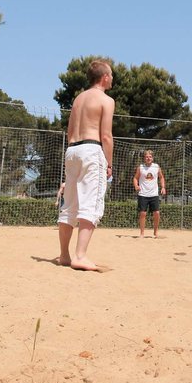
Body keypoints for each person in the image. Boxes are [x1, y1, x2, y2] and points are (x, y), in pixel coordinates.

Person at [58, 60, 115, 271]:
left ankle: (64, 255)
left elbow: (69, 131)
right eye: (111, 75)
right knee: (91, 203)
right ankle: (80, 256)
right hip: (92, 149)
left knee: (69, 204)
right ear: (105, 77)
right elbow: (106, 136)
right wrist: (109, 163)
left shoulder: (78, 99)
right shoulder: (105, 100)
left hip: (72, 149)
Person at [133, 150, 166, 237]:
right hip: (143, 194)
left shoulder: (156, 167)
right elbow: (135, 178)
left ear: (152, 158)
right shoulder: (140, 167)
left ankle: (155, 232)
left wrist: (163, 187)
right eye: (147, 157)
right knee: (143, 213)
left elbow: (161, 177)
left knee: (157, 213)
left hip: (154, 194)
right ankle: (142, 233)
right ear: (144, 158)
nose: (148, 158)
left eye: (150, 157)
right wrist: (136, 186)